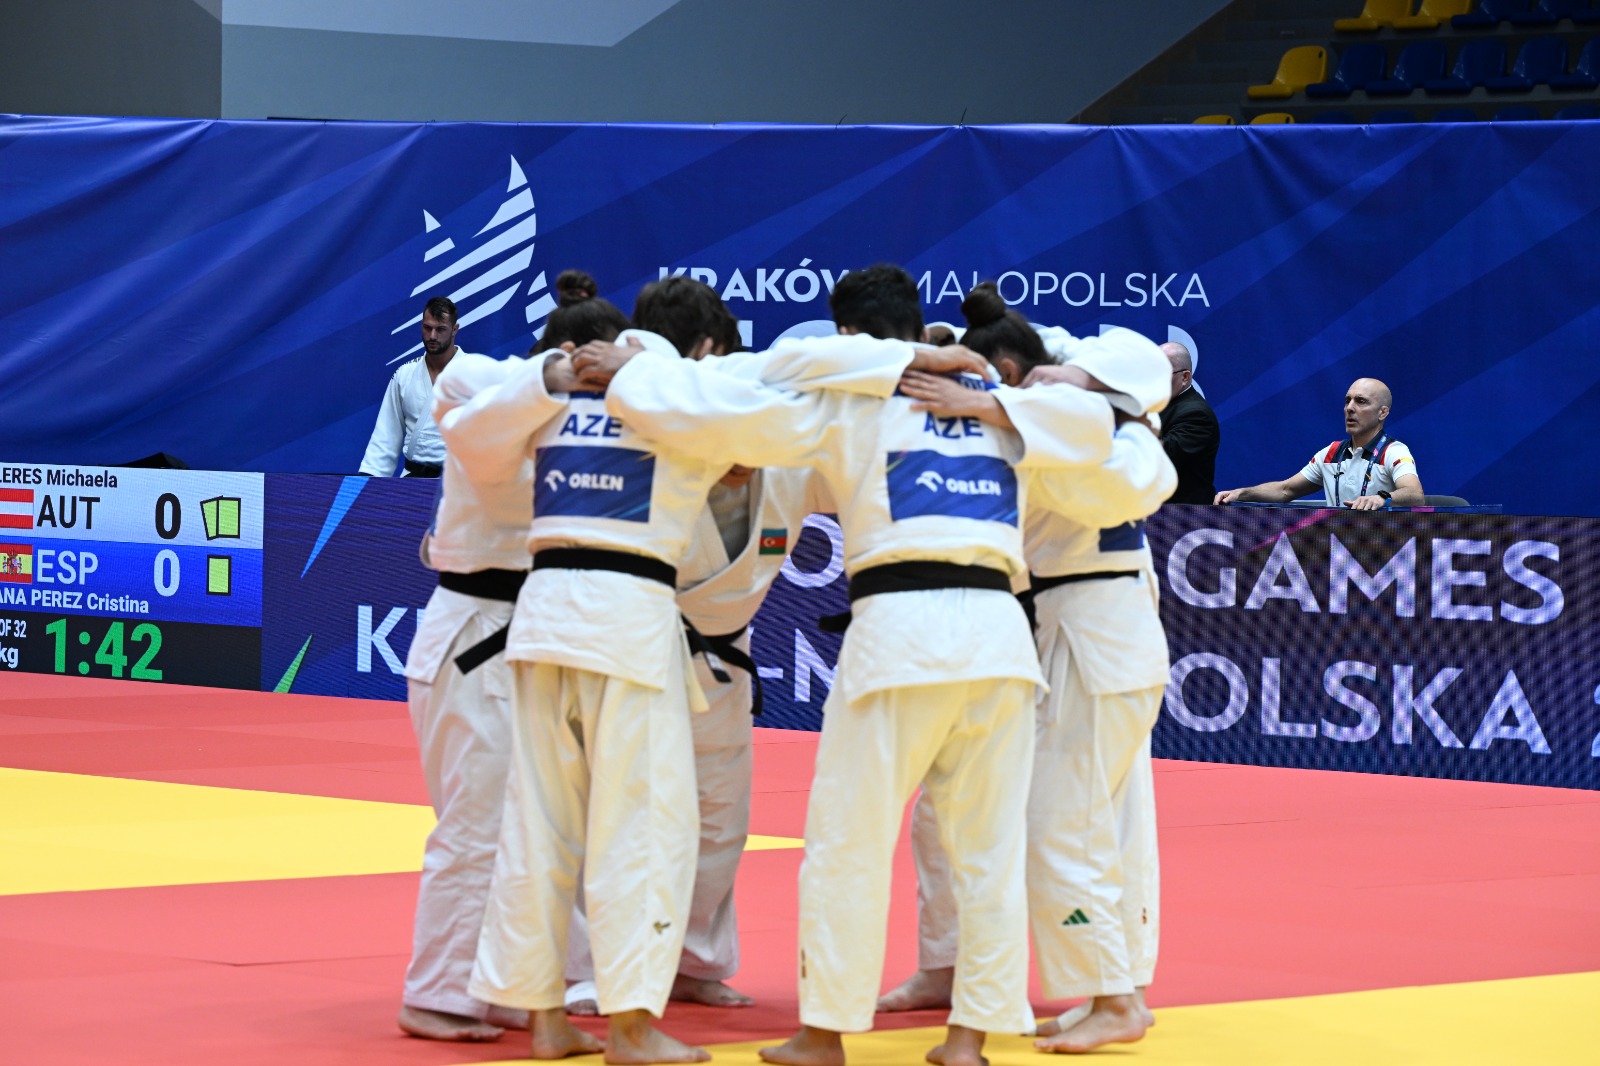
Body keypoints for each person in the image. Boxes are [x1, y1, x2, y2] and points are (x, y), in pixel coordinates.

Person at [594, 264, 1134, 1066]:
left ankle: (824, 1033)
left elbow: (734, 393)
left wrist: (632, 373)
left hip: (900, 636)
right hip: (998, 640)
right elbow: (1095, 426)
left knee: (848, 840)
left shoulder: (847, 403)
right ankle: (968, 1039)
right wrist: (994, 401)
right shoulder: (1004, 401)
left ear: (846, 335)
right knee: (987, 850)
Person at [459, 276, 939, 1064]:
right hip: (628, 620)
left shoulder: (553, 385)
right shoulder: (682, 390)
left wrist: (544, 375)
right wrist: (920, 360)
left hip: (543, 614)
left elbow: (469, 435)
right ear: (706, 348)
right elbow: (794, 385)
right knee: (644, 825)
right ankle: (629, 1028)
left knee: (539, 818)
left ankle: (543, 1015)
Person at [878, 283, 1175, 1055]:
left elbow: (1139, 362)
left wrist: (1010, 396)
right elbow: (1052, 358)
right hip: (1051, 627)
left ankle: (1117, 995)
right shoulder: (1058, 411)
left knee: (1065, 819)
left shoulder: (1088, 428)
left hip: (1090, 629)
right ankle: (960, 965)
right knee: (960, 806)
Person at [397, 289, 614, 1044]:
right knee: (478, 824)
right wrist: (552, 377)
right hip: (475, 637)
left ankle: (523, 979)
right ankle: (436, 993)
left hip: (527, 636)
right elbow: (472, 410)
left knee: (544, 822)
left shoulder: (591, 423)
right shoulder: (482, 382)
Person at [1215, 377, 1422, 510]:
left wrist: (1381, 498)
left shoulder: (1394, 452)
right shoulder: (1331, 453)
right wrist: (1242, 493)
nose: (1349, 408)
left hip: (1383, 549)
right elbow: (1285, 490)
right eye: (1347, 400)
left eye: (1361, 401)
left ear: (1382, 413)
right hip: (1337, 549)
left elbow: (1415, 494)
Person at [360, 296, 466, 477]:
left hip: (460, 481)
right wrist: (369, 479)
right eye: (427, 328)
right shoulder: (404, 374)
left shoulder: (477, 374)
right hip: (413, 480)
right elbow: (385, 437)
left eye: (440, 329)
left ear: (454, 329)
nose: (432, 336)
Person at [1156, 341, 1219, 504]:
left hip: (1180, 515)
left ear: (1185, 377)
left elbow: (1159, 457)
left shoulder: (1197, 415)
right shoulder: (1158, 405)